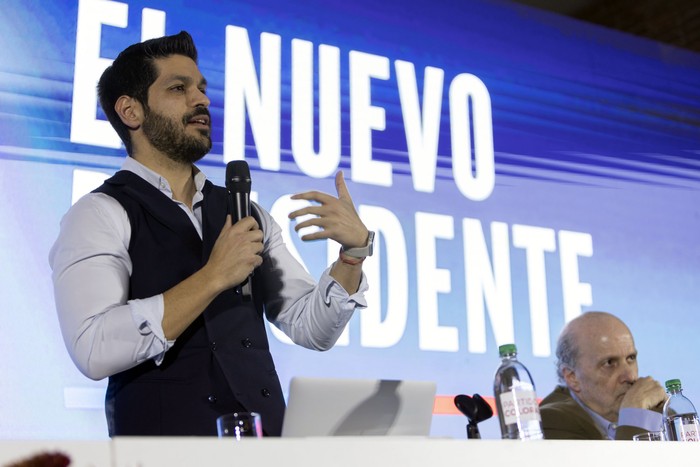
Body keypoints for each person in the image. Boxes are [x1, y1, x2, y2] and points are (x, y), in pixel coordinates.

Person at [49, 31, 373, 437]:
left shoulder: (244, 211)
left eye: (201, 88)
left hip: (266, 447)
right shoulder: (99, 213)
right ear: (131, 111)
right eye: (178, 88)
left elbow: (309, 327)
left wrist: (352, 256)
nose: (200, 99)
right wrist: (213, 276)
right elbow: (93, 349)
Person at [539, 311, 667, 440]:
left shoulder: (649, 409)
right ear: (572, 377)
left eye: (631, 358)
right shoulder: (552, 420)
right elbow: (625, 461)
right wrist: (633, 415)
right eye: (609, 363)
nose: (630, 376)